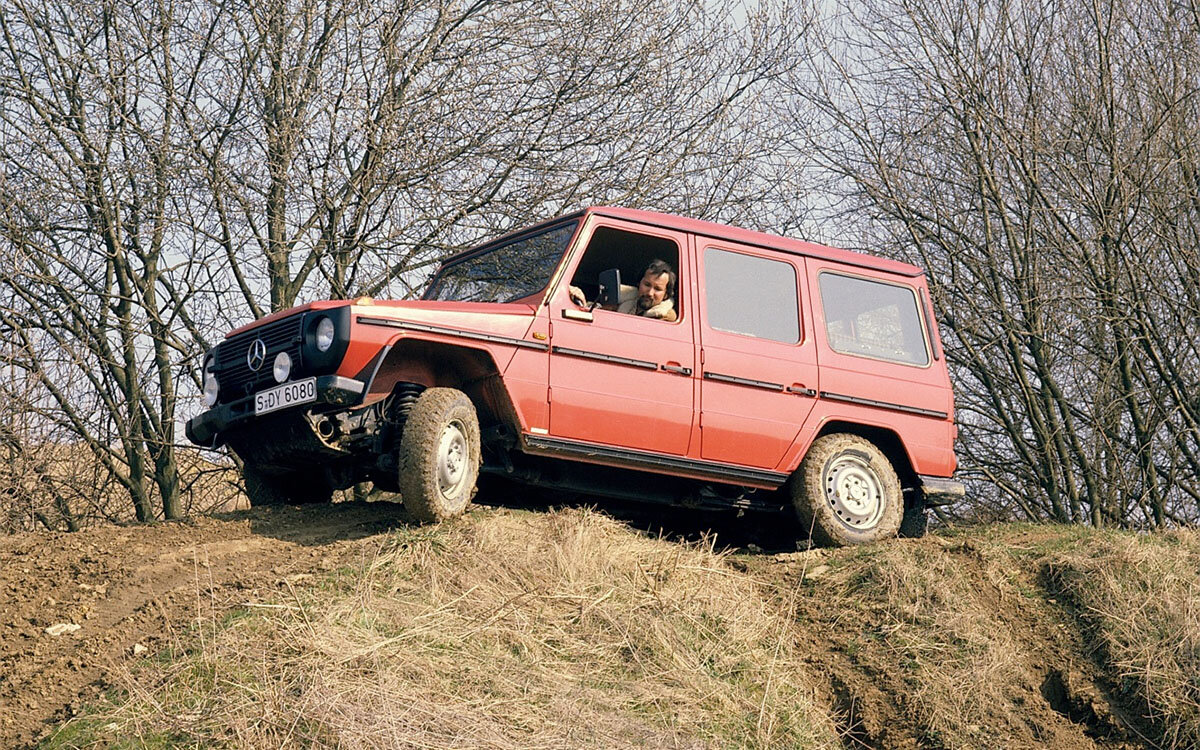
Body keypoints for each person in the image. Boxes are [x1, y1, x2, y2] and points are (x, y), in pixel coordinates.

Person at [569, 259, 678, 321]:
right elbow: (592, 310)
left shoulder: (666, 318)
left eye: (657, 289)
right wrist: (580, 300)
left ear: (666, 295)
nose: (650, 293)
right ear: (639, 284)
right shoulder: (624, 303)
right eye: (647, 284)